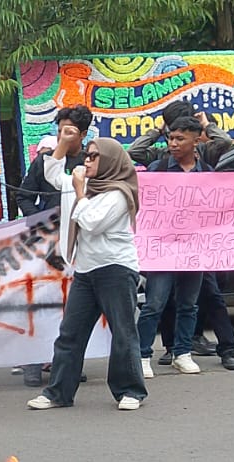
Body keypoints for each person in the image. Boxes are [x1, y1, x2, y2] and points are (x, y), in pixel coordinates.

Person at [27, 134, 147, 412]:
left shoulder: (119, 192)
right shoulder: (82, 184)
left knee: (123, 332)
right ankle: (59, 392)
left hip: (115, 269)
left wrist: (80, 192)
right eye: (87, 155)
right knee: (70, 333)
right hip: (86, 269)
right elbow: (53, 174)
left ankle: (130, 390)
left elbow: (92, 222)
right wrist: (63, 145)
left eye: (94, 156)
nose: (87, 161)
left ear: (110, 161)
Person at [14, 105, 93, 387]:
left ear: (83, 134)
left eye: (70, 132)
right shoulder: (45, 161)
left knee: (72, 307)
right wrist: (39, 222)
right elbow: (24, 195)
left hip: (80, 244)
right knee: (40, 302)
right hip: (46, 244)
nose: (63, 136)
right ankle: (33, 362)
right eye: (60, 131)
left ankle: (67, 362)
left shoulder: (92, 161)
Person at [136, 117, 209, 378]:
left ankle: (183, 353)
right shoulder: (159, 168)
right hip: (163, 249)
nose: (173, 143)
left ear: (196, 139)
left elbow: (222, 207)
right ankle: (142, 355)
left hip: (194, 249)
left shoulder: (206, 172)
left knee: (189, 304)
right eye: (170, 138)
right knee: (154, 303)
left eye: (180, 138)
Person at [129, 100, 232, 168]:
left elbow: (225, 141)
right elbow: (133, 151)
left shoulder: (205, 152)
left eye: (180, 138)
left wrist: (206, 125)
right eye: (171, 136)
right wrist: (157, 131)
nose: (174, 144)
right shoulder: (159, 156)